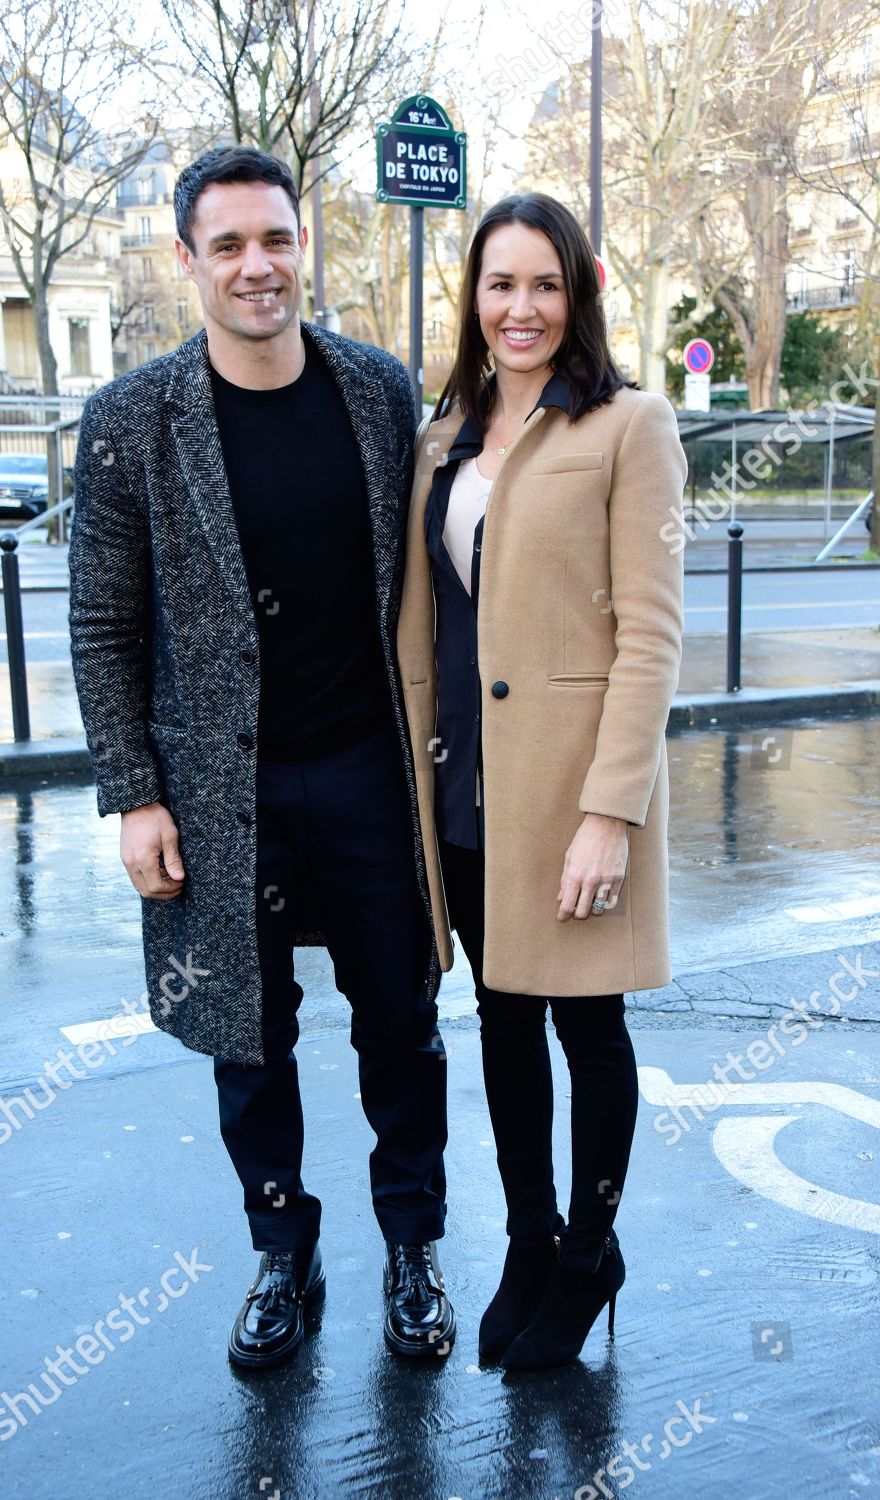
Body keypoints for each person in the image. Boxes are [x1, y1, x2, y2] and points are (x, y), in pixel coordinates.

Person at [68, 145, 455, 1370]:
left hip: (366, 771)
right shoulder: (133, 421)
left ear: (305, 246)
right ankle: (281, 1252)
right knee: (250, 1037)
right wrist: (134, 794)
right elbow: (101, 620)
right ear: (186, 262)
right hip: (217, 788)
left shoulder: (376, 389)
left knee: (400, 1020)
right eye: (227, 244)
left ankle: (412, 1247)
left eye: (275, 239)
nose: (255, 265)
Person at [396, 192, 687, 1370]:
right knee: (502, 1024)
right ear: (474, 297)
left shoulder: (628, 425)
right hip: (467, 791)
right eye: (500, 283)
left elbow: (652, 638)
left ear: (580, 296)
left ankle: (588, 1252)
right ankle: (528, 1238)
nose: (521, 308)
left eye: (545, 284)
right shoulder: (443, 433)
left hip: (572, 799)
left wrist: (608, 813)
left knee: (587, 1028)